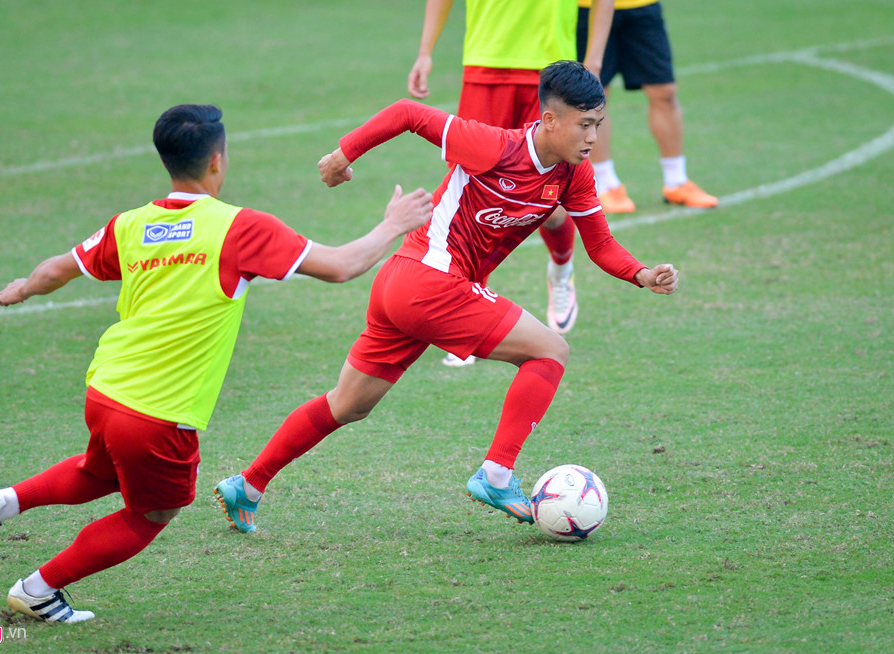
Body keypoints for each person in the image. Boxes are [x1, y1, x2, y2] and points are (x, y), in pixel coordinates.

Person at [0, 104, 433, 623]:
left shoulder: (131, 225)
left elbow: (56, 270)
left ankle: (3, 502)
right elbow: (341, 267)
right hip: (159, 411)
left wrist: (22, 288)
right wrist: (393, 225)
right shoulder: (238, 227)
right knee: (151, 514)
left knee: (101, 472)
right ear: (217, 163)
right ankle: (38, 589)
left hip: (106, 389)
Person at [214, 61, 678, 535]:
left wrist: (640, 273)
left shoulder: (572, 175)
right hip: (429, 282)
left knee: (348, 404)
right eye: (585, 125)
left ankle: (247, 485)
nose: (593, 138)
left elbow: (599, 245)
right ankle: (496, 474)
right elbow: (407, 113)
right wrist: (342, 155)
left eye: (598, 125)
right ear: (551, 120)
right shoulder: (494, 146)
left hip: (405, 285)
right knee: (551, 351)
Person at [406, 0, 615, 361]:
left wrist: (594, 60)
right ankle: (467, 305)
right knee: (471, 192)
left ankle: (562, 269)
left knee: (549, 203)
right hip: (485, 65)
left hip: (551, 72)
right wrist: (426, 50)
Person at [576, 0, 718, 213]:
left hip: (642, 6)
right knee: (595, 95)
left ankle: (676, 181)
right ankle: (605, 184)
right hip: (587, 8)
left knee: (665, 92)